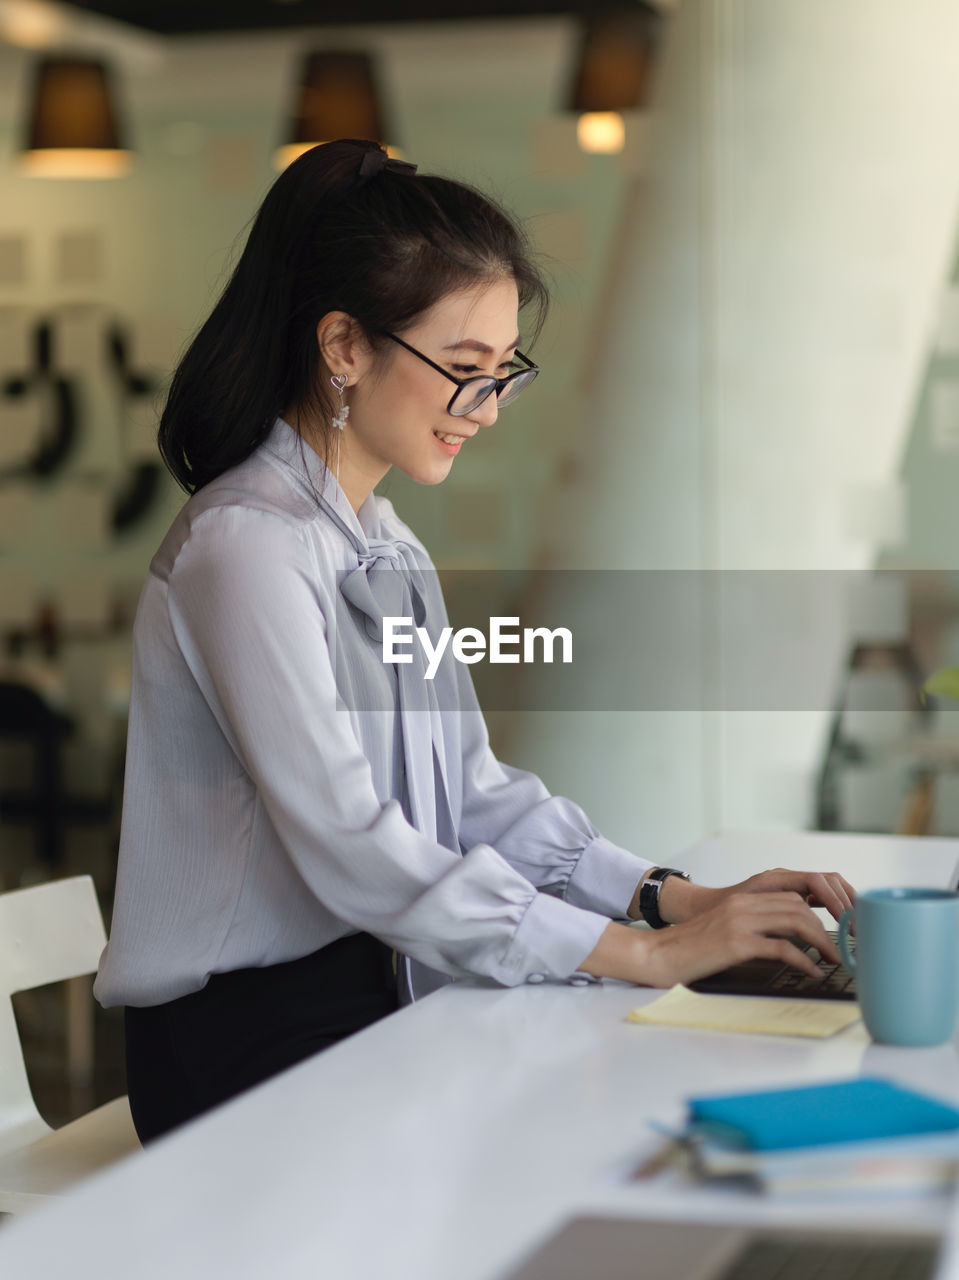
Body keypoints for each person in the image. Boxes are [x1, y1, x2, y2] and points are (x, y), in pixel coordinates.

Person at [94, 139, 855, 1143]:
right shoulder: (243, 549)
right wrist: (638, 953)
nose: (486, 410)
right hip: (241, 1039)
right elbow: (353, 842)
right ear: (343, 347)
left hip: (370, 990)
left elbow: (472, 789)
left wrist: (663, 897)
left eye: (502, 373)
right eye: (462, 371)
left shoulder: (385, 544)